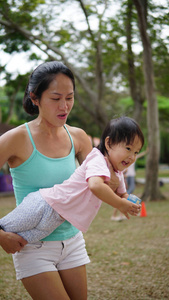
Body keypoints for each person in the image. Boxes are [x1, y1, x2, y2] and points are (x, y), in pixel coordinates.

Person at [0, 61, 94, 300]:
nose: (65, 106)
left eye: (70, 97)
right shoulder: (15, 139)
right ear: (35, 97)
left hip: (72, 242)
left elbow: (100, 181)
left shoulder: (79, 138)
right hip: (32, 246)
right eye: (55, 98)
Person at [0, 116, 144, 244]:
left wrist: (129, 202)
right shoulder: (97, 159)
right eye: (128, 148)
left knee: (21, 242)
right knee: (5, 228)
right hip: (44, 204)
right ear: (109, 143)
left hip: (56, 219)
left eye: (136, 152)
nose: (132, 156)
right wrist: (120, 204)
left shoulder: (118, 173)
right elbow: (96, 186)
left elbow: (122, 194)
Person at [111, 149, 148, 221]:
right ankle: (115, 215)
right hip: (127, 177)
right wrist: (124, 174)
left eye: (135, 153)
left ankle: (120, 214)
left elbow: (140, 155)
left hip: (131, 176)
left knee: (126, 195)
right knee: (123, 196)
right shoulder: (125, 160)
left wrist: (146, 152)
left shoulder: (133, 158)